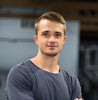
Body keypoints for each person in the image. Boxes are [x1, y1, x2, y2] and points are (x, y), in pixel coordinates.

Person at [5, 11, 82, 100]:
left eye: (57, 35)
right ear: (36, 39)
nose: (52, 39)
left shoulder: (72, 82)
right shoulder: (20, 74)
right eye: (45, 34)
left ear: (63, 40)